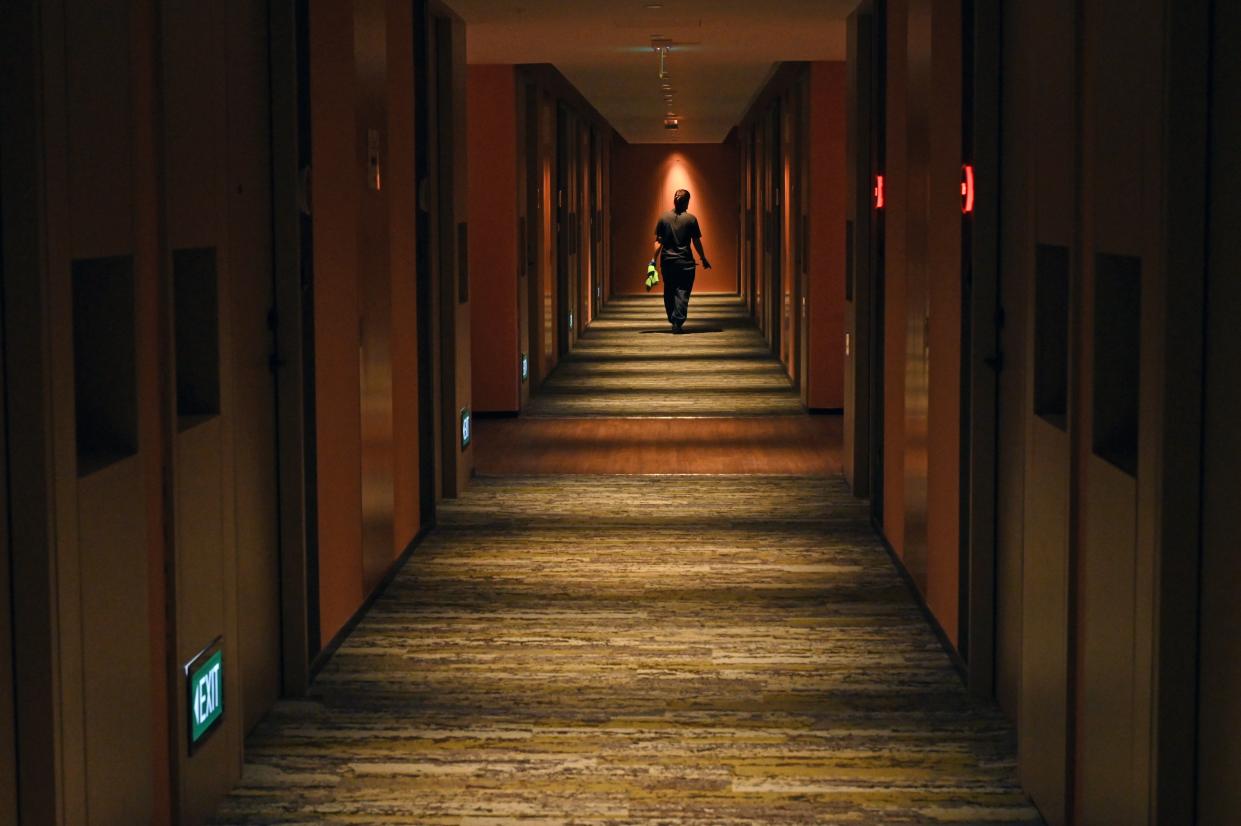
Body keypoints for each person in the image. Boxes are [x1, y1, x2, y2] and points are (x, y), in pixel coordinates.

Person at [652, 188, 711, 333]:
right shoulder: (691, 219)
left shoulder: (663, 218)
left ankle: (673, 318)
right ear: (687, 202)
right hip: (685, 263)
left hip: (668, 262)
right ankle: (677, 320)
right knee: (683, 292)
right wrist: (703, 257)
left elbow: (658, 242)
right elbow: (696, 241)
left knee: (669, 290)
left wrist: (653, 260)